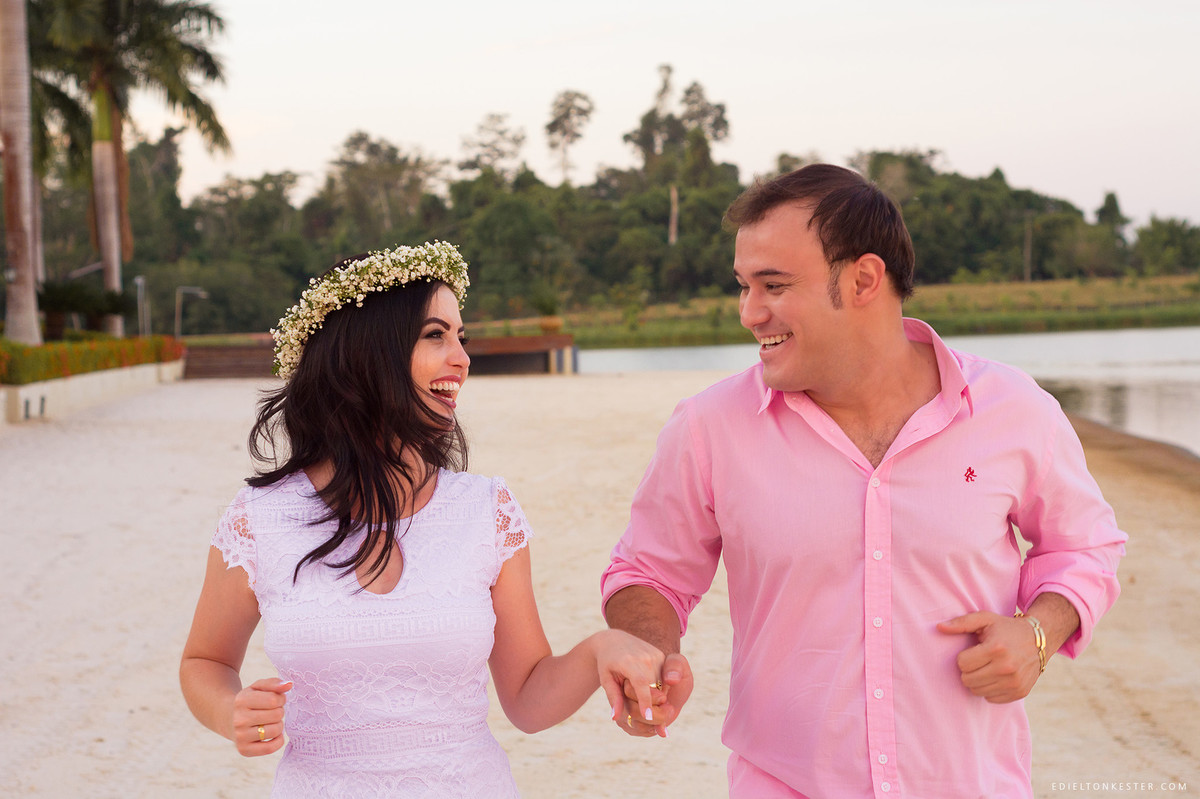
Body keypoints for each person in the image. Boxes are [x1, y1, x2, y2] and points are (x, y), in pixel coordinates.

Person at [601, 165, 1127, 798]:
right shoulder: (708, 428)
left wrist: (1039, 634)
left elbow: (1085, 547)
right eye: (743, 287)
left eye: (773, 285)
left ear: (863, 280)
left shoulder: (1014, 409)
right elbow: (647, 574)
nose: (748, 313)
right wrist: (650, 656)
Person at [180, 241, 665, 797]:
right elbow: (204, 660)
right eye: (435, 335)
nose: (461, 357)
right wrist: (230, 711)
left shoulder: (487, 510)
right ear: (367, 353)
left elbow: (529, 700)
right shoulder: (261, 519)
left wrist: (599, 650)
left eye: (462, 337)